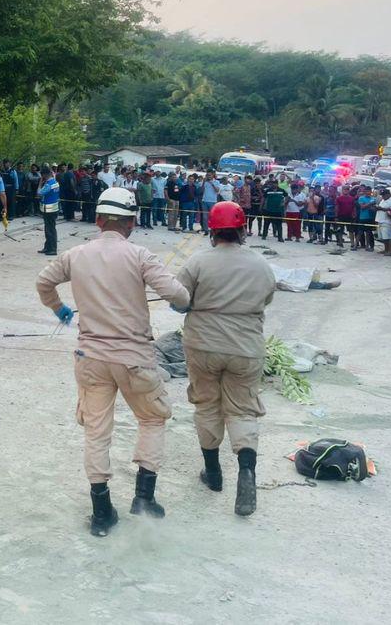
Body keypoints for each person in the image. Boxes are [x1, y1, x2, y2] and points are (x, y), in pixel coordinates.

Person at [35, 187, 191, 537]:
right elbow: (178, 296)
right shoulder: (140, 256)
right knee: (152, 419)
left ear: (98, 220)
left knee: (96, 431)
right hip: (134, 359)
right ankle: (144, 498)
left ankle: (102, 512)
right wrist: (182, 305)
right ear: (132, 223)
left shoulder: (75, 254)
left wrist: (57, 307)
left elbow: (43, 281)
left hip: (90, 358)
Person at [177, 201, 276, 517]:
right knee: (243, 410)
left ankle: (214, 473)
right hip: (245, 349)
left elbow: (180, 302)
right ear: (243, 230)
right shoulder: (260, 264)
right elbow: (267, 299)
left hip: (203, 346)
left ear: (212, 230)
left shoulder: (197, 262)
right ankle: (246, 471)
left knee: (207, 405)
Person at [37, 165, 60, 256]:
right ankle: (47, 247)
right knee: (49, 229)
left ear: (44, 175)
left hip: (49, 210)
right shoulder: (55, 182)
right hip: (54, 209)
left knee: (50, 230)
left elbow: (39, 193)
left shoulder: (48, 185)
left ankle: (52, 249)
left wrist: (39, 184)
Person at [375, 188, 391, 255]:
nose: (383, 196)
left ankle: (390, 251)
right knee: (383, 237)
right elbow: (381, 207)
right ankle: (385, 250)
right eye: (382, 195)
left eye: (384, 195)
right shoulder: (383, 200)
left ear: (388, 194)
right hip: (380, 220)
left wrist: (381, 208)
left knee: (388, 237)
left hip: (387, 221)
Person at [355, 186, 377, 251]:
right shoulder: (361, 198)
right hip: (362, 217)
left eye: (369, 191)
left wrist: (368, 205)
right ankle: (355, 245)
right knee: (360, 232)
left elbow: (373, 208)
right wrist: (370, 204)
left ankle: (367, 246)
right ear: (364, 192)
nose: (368, 192)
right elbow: (362, 207)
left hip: (370, 217)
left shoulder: (373, 199)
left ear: (371, 192)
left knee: (368, 232)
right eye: (367, 191)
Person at [336, 185, 357, 250]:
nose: (346, 190)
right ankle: (340, 242)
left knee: (351, 231)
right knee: (340, 230)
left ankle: (352, 243)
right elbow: (337, 207)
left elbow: (354, 207)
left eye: (347, 189)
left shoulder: (352, 198)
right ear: (342, 190)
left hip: (349, 216)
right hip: (341, 216)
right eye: (344, 189)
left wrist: (354, 214)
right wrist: (336, 216)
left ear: (349, 190)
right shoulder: (339, 198)